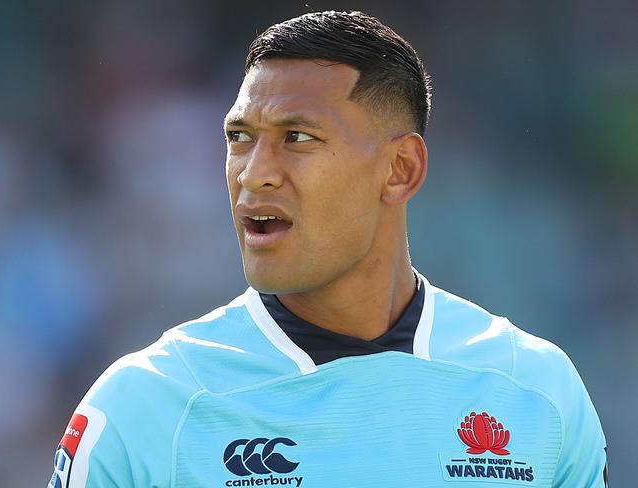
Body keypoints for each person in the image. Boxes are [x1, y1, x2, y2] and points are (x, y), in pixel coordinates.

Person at [48, 10, 608, 488]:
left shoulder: (536, 389)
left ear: (400, 169)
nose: (254, 174)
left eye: (298, 138)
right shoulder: (144, 406)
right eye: (239, 138)